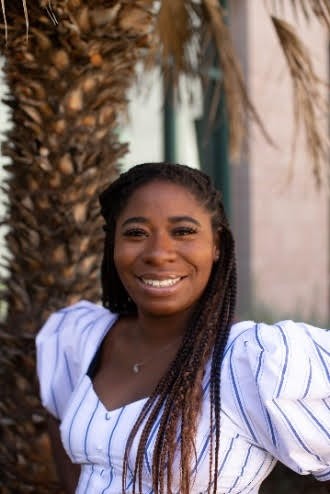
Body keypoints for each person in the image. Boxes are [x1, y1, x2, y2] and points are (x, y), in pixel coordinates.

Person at [36, 162, 330, 494]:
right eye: (136, 233)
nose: (159, 253)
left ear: (217, 244)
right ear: (113, 245)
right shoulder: (82, 337)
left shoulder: (255, 364)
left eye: (183, 232)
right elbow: (58, 418)